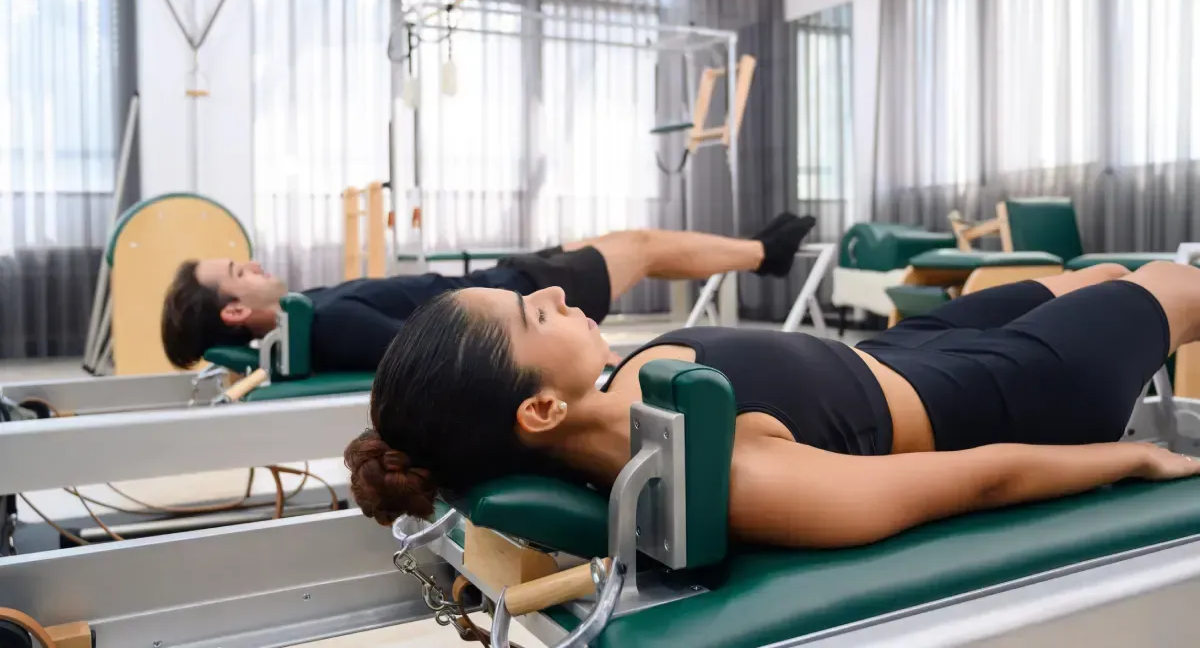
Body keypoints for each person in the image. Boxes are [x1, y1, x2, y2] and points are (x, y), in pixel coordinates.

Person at [345, 260, 1200, 549]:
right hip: (1008, 392)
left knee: (1100, 277)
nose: (560, 291)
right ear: (538, 411)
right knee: (1175, 284)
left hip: (907, 351)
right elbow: (978, 481)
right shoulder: (729, 473)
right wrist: (1134, 456)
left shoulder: (622, 397)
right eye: (538, 313)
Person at [160, 213, 817, 373]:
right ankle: (766, 253)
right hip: (522, 292)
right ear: (237, 310)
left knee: (630, 243)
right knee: (641, 245)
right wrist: (586, 362)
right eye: (236, 273)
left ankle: (762, 253)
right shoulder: (328, 323)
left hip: (511, 278)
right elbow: (455, 347)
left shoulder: (312, 308)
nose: (249, 263)